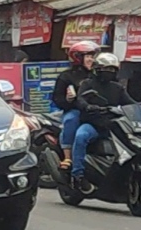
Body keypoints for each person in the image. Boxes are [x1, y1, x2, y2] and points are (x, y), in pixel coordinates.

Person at [70, 52, 135, 188]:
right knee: (81, 137)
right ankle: (77, 175)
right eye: (106, 69)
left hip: (113, 126)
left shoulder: (117, 88)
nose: (109, 72)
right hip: (93, 124)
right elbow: (80, 99)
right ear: (97, 70)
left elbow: (130, 103)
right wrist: (88, 106)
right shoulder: (87, 84)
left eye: (112, 70)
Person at [52, 41, 99, 169]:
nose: (92, 60)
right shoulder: (66, 76)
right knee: (71, 119)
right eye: (88, 56)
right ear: (78, 58)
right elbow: (57, 99)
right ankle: (67, 157)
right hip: (75, 110)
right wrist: (68, 100)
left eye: (93, 56)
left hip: (96, 111)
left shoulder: (98, 75)